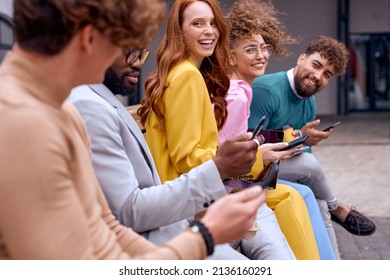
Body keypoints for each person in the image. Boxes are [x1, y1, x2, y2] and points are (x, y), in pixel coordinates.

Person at [0, 0, 265, 260]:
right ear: (89, 38)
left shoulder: (59, 107)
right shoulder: (25, 122)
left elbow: (106, 227)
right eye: (124, 45)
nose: (136, 61)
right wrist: (204, 237)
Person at [139, 0, 319, 260]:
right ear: (179, 31)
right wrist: (251, 155)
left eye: (213, 23)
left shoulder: (185, 73)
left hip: (192, 199)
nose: (209, 31)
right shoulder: (188, 76)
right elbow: (186, 159)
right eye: (197, 24)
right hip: (191, 208)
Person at [68, 48, 270, 260]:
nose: (138, 63)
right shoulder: (90, 105)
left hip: (172, 224)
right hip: (157, 240)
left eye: (141, 54)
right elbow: (129, 212)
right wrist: (219, 169)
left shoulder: (100, 98)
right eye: (130, 52)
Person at [221, 0, 335, 260]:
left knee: (312, 195)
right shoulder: (243, 93)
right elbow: (227, 161)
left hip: (247, 184)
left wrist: (295, 139)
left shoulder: (246, 90)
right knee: (308, 172)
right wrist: (281, 146)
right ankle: (338, 208)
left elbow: (248, 144)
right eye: (251, 50)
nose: (261, 56)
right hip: (236, 190)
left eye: (264, 48)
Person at [249, 35, 377, 257]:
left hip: (280, 169)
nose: (318, 76)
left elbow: (301, 156)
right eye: (316, 65)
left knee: (319, 203)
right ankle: (338, 207)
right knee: (309, 165)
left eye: (327, 74)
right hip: (249, 174)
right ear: (301, 59)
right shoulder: (267, 90)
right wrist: (298, 136)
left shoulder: (310, 103)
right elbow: (249, 142)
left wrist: (302, 141)